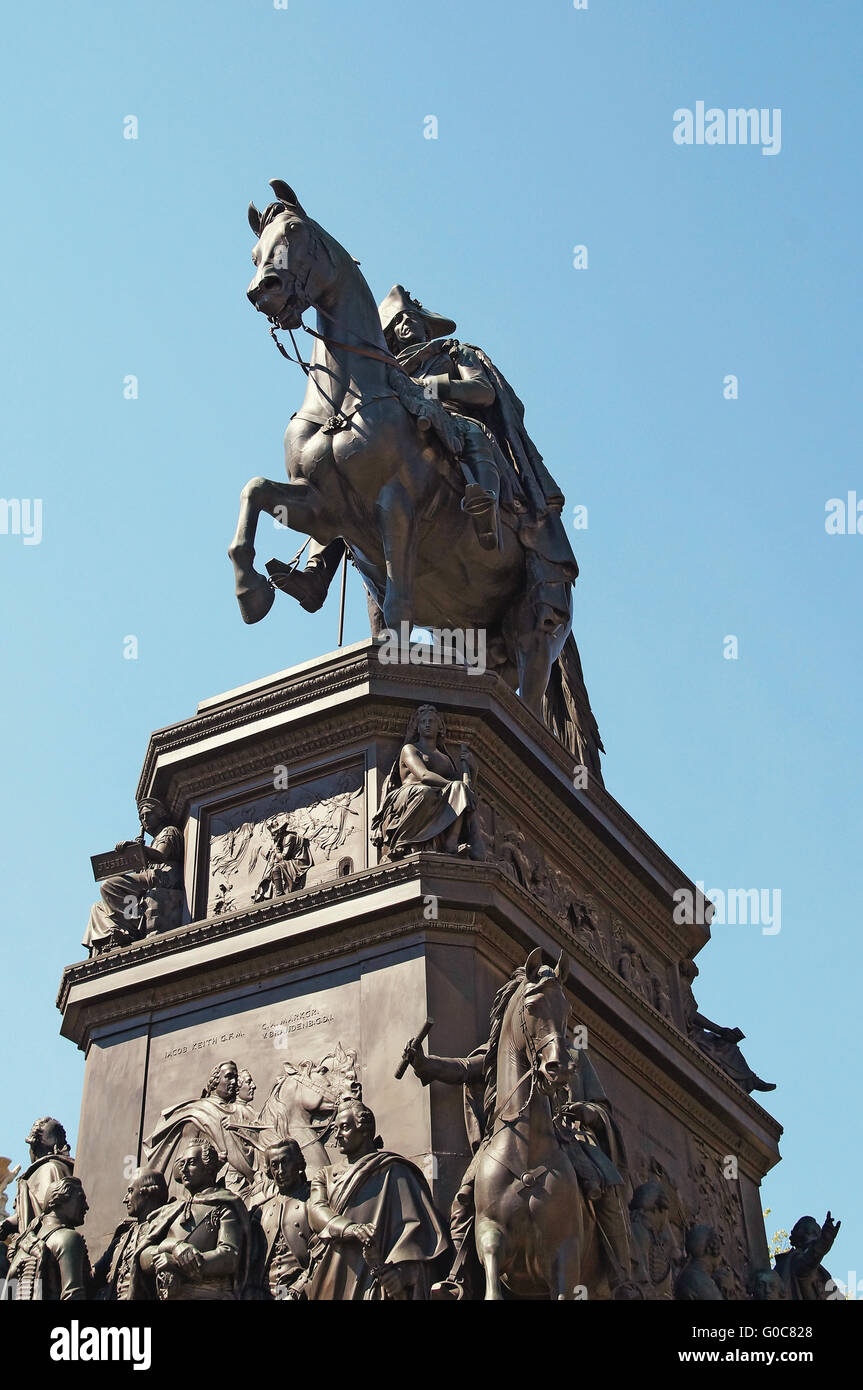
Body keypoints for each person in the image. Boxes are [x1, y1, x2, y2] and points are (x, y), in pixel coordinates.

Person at [304, 1093, 448, 1300]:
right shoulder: (324, 1175)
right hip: (334, 1271)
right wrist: (350, 1229)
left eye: (344, 1127)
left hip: (375, 1277)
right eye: (335, 1129)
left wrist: (400, 1271)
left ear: (364, 1130)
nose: (336, 1136)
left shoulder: (395, 1172)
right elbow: (316, 1211)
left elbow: (417, 1232)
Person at [138, 1138, 250, 1300]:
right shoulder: (172, 1210)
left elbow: (229, 1256)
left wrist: (177, 1263)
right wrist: (174, 1245)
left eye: (191, 1163)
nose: (183, 1169)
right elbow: (144, 1256)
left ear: (209, 1168)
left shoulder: (224, 1205)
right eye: (181, 1164)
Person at [371, 705, 477, 859]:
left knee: (457, 788)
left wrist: (474, 769)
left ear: (439, 727)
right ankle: (402, 841)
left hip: (435, 793)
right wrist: (452, 785)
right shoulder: (410, 749)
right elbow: (424, 776)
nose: (427, 724)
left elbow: (464, 790)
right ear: (418, 728)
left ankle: (451, 842)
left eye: (431, 721)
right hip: (410, 792)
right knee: (425, 792)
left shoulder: (445, 759)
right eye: (423, 721)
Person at [83, 797, 184, 953]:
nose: (145, 820)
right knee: (98, 907)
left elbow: (161, 855)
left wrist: (139, 849)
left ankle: (131, 928)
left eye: (148, 814)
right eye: (142, 817)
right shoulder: (152, 841)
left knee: (110, 886)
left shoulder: (168, 831)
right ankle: (116, 932)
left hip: (163, 876)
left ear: (160, 815)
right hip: (151, 877)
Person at [144, 1060, 258, 1196]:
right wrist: (212, 1163)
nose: (233, 1082)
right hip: (217, 1190)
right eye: (228, 1076)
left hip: (250, 1183)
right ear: (215, 1080)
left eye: (235, 1077)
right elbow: (179, 1168)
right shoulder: (198, 1113)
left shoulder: (240, 1111)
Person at [2, 1176, 90, 1301]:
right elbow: (73, 1295)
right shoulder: (67, 1238)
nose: (86, 1207)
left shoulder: (27, 1243)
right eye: (81, 1199)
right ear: (60, 1199)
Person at [91, 1169, 169, 1301]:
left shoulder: (166, 1230)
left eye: (130, 1191)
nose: (125, 1199)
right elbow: (95, 1275)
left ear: (147, 1192)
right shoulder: (122, 1237)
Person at [247, 1140, 311, 1300]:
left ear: (298, 1163)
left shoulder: (315, 1200)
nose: (280, 1171)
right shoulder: (260, 1211)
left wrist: (298, 1289)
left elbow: (324, 1253)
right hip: (267, 1293)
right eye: (274, 1165)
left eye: (285, 1162)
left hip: (304, 1290)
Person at [0, 1116, 73, 1244]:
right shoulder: (60, 1168)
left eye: (35, 1147)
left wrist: (7, 1225)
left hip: (40, 1245)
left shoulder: (47, 1169)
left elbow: (40, 1213)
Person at [773, 1213, 841, 1300]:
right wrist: (824, 1241)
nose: (814, 1238)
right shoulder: (795, 1261)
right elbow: (809, 1260)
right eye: (810, 1233)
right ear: (798, 1236)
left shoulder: (823, 1273)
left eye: (817, 1234)